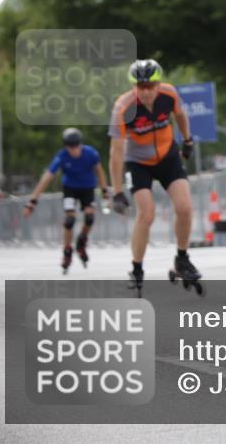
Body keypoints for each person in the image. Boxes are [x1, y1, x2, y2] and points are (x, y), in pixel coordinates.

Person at [108, 59, 201, 293]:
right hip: (138, 162)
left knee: (185, 207)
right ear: (133, 87)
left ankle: (182, 259)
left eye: (151, 86)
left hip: (168, 156)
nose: (146, 91)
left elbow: (180, 115)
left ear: (159, 84)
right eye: (141, 87)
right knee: (147, 214)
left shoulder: (169, 94)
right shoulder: (123, 107)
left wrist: (187, 139)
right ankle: (137, 268)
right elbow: (116, 152)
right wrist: (117, 191)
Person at [23, 128, 108, 272]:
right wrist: (32, 201)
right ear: (66, 146)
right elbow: (47, 178)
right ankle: (67, 251)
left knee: (89, 218)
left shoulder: (91, 153)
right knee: (70, 220)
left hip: (87, 188)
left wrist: (104, 190)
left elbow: (100, 171)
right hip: (70, 188)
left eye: (77, 146)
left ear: (81, 144)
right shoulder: (62, 157)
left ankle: (81, 241)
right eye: (71, 147)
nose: (74, 150)